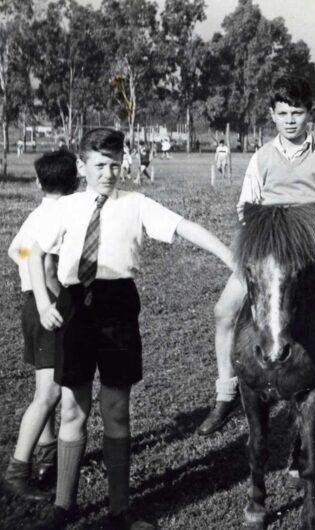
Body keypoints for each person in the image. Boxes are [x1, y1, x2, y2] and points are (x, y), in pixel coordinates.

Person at [27, 128, 234, 529]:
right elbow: (34, 253)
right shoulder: (64, 207)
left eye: (115, 165)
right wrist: (42, 301)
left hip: (118, 306)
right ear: (82, 165)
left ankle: (119, 511)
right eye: (100, 165)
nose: (108, 173)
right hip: (74, 308)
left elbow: (185, 227)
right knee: (73, 408)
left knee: (116, 410)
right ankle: (62, 509)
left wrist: (229, 256)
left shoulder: (136, 204)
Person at [197, 76, 315, 435]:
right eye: (283, 113)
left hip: (311, 244)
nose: (291, 120)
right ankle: (226, 391)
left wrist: (305, 225)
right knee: (224, 311)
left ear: (309, 114)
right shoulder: (262, 156)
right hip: (269, 245)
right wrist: (269, 228)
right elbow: (245, 204)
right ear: (272, 116)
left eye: (297, 112)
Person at [3, 149, 79, 502]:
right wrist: (58, 297)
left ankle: (48, 456)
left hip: (30, 306)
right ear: (76, 181)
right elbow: (47, 266)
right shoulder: (68, 211)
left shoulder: (38, 213)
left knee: (43, 389)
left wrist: (26, 275)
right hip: (48, 306)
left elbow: (15, 251)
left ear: (38, 183)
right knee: (48, 395)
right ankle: (18, 471)